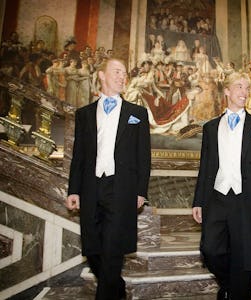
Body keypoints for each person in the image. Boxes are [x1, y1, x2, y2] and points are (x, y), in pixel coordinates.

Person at [65, 58, 151, 300]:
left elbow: (143, 156)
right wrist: (74, 190)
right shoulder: (84, 114)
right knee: (93, 249)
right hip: (91, 187)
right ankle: (117, 288)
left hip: (121, 188)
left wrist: (141, 191)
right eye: (116, 72)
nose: (122, 76)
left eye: (124, 73)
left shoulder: (138, 114)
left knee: (113, 248)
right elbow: (78, 155)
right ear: (102, 76)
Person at [192, 71, 251, 300]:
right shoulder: (210, 128)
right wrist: (198, 201)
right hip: (217, 198)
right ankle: (229, 284)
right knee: (210, 249)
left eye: (247, 88)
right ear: (227, 91)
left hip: (247, 199)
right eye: (239, 86)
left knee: (245, 255)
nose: (244, 92)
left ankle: (237, 293)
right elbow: (206, 167)